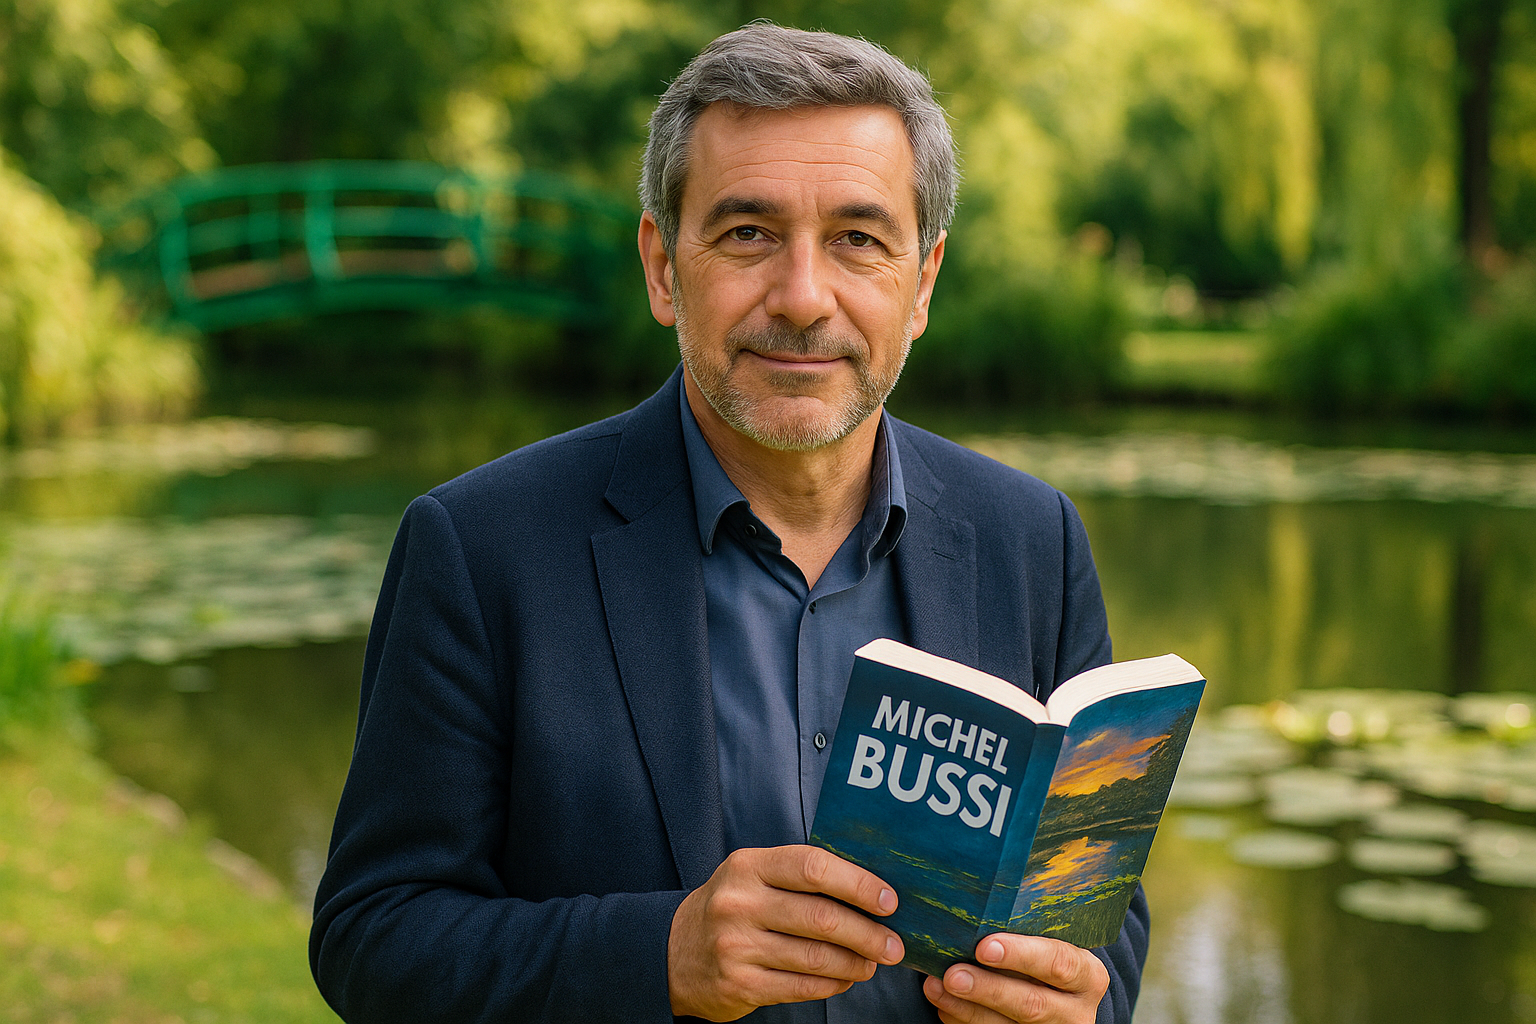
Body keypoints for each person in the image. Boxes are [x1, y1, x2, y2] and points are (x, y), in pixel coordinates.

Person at [310, 23, 1146, 1024]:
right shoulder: (481, 549)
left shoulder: (1033, 541)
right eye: (748, 233)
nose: (801, 298)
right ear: (664, 267)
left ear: (920, 283)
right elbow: (373, 938)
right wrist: (656, 953)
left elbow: (1108, 926)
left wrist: (1074, 1001)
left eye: (857, 240)